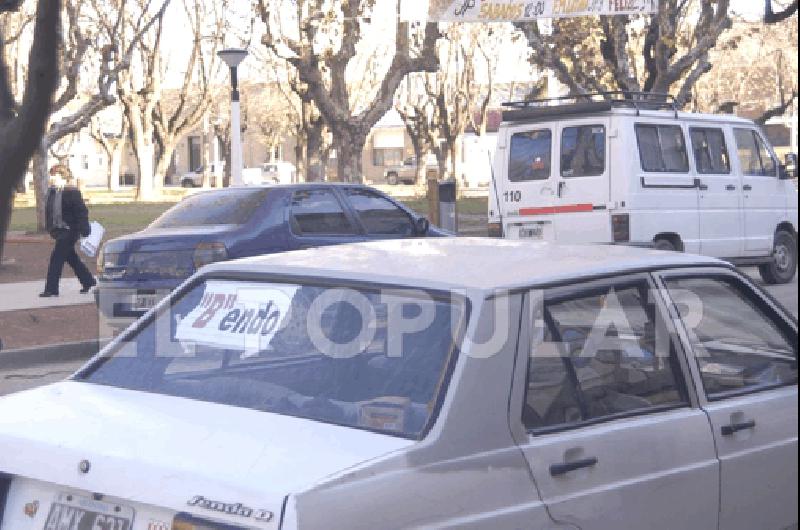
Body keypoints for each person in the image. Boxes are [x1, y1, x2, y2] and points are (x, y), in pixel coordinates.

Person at [40, 167, 96, 297]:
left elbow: (81, 212)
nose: (51, 179)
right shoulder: (52, 192)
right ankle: (88, 281)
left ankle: (51, 289)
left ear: (62, 177)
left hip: (70, 231)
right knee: (71, 258)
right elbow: (50, 213)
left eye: (54, 176)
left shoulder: (72, 192)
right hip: (58, 231)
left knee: (56, 259)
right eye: (51, 176)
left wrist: (84, 230)